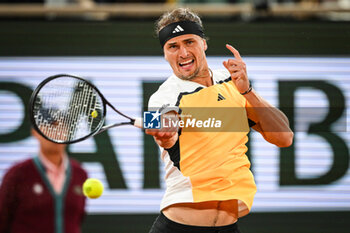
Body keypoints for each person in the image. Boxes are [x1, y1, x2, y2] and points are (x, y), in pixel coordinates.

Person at [146, 8, 294, 233]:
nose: (183, 52)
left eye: (189, 42)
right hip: (178, 227)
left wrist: (248, 91)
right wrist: (165, 136)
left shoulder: (232, 81)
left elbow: (284, 137)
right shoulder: (163, 97)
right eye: (173, 46)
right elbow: (164, 132)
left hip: (228, 227)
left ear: (203, 43)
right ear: (165, 53)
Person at [0, 128, 87, 233]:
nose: (56, 134)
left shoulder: (81, 174)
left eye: (61, 127)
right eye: (50, 128)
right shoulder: (17, 174)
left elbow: (78, 219)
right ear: (35, 132)